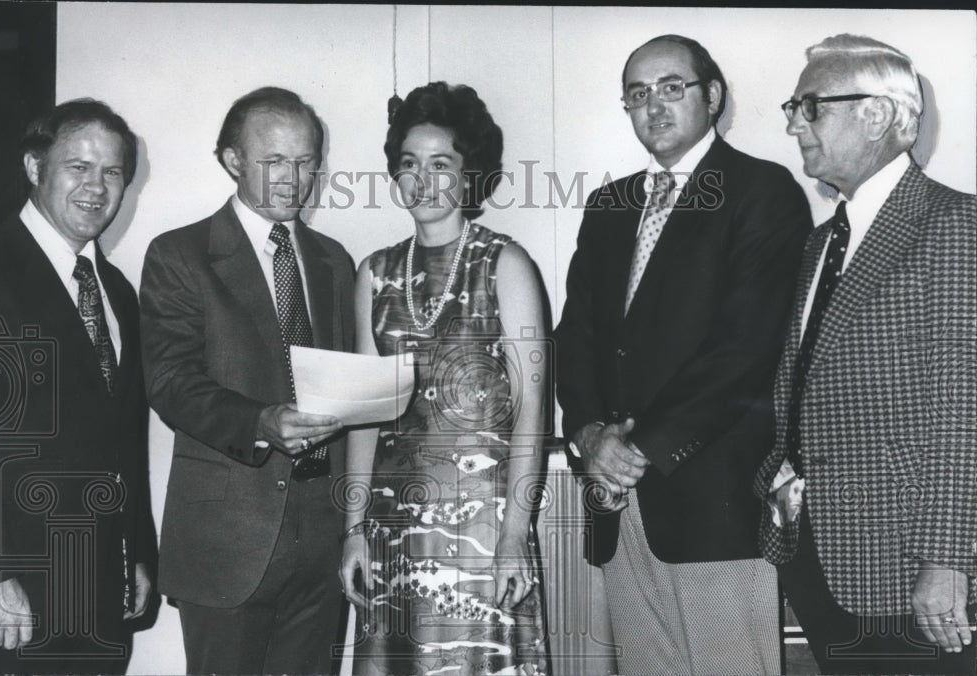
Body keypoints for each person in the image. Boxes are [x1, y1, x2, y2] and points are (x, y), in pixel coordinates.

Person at [555, 35, 813, 675]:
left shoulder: (763, 190)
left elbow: (747, 350)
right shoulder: (608, 207)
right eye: (638, 95)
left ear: (713, 96)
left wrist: (635, 449)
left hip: (714, 504)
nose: (655, 106)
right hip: (617, 505)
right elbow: (575, 340)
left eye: (673, 87)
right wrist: (588, 436)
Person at [755, 34, 977, 674]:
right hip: (818, 550)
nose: (795, 123)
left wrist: (947, 560)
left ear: (876, 115)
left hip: (910, 564)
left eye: (811, 106)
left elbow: (963, 408)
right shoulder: (822, 241)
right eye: (792, 107)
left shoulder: (952, 225)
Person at [139, 87, 355, 674]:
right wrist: (260, 422)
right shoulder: (180, 255)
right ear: (233, 160)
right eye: (274, 161)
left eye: (307, 161)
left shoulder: (335, 260)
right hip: (225, 541)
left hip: (321, 537)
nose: (295, 178)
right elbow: (169, 381)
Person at [338, 81, 549, 675]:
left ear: (468, 174)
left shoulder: (504, 264)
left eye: (441, 163)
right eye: (409, 164)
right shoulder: (373, 276)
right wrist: (353, 531)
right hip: (392, 526)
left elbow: (533, 409)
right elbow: (364, 414)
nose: (422, 180)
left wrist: (514, 535)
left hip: (483, 526)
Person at [0, 99, 158, 674]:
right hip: (11, 597)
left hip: (100, 589)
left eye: (112, 172)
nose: (97, 187)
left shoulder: (118, 293)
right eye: (78, 166)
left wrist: (135, 551)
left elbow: (121, 440)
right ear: (35, 167)